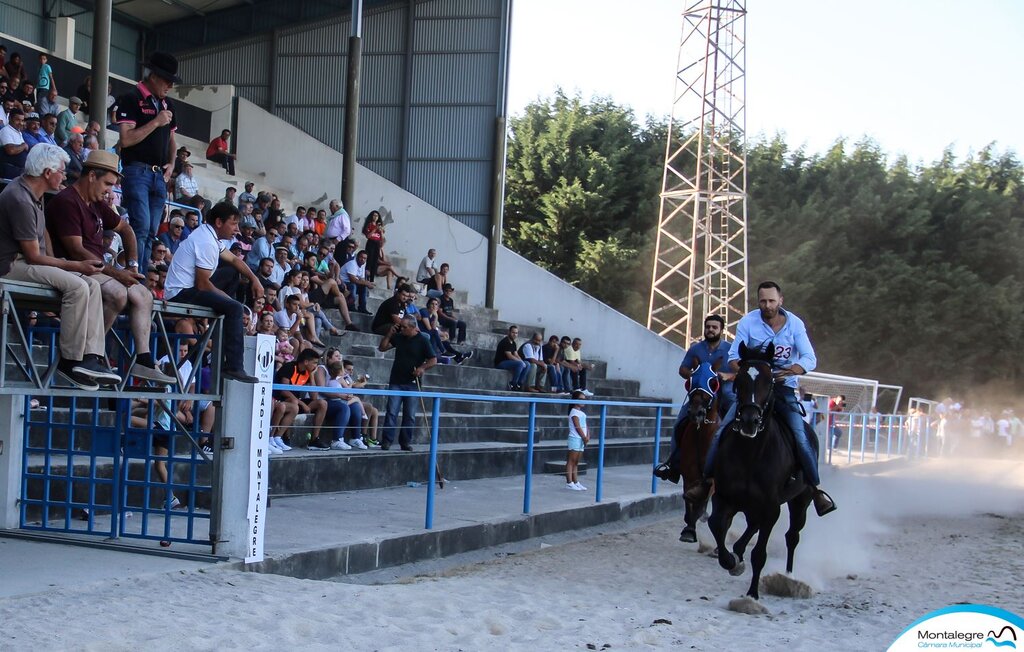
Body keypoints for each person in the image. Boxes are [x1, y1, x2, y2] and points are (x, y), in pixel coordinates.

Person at [685, 281, 837, 517]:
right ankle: (707, 482)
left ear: (781, 300)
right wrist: (744, 369)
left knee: (801, 433)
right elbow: (735, 355)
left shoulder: (795, 324)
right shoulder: (748, 322)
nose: (767, 305)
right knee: (721, 430)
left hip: (783, 388)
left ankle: (815, 489)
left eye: (772, 301)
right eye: (763, 301)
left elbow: (809, 357)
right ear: (759, 302)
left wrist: (793, 369)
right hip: (753, 388)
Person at [45, 150, 174, 384]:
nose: (110, 191)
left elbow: (126, 230)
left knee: (143, 294)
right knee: (117, 293)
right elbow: (76, 251)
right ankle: (88, 355)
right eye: (108, 183)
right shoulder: (66, 201)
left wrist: (132, 266)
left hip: (98, 269)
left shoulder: (96, 203)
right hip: (74, 269)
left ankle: (143, 361)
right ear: (92, 176)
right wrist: (117, 273)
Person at [0, 144, 122, 389]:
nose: (65, 175)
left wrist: (65, 265)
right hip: (11, 266)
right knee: (78, 285)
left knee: (91, 285)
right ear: (47, 172)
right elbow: (33, 256)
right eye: (61, 171)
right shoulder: (19, 197)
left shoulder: (35, 194)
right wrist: (72, 264)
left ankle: (91, 357)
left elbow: (43, 237)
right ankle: (69, 360)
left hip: (26, 262)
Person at [163, 201, 263, 383]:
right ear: (219, 222)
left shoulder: (210, 236)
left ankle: (226, 320)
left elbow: (234, 260)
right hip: (180, 294)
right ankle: (234, 366)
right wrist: (230, 302)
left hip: (191, 287)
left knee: (233, 272)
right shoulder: (206, 242)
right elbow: (202, 284)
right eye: (233, 224)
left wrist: (255, 279)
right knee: (234, 309)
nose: (237, 230)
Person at [116, 51, 181, 273]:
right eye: (167, 80)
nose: (170, 86)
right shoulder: (131, 97)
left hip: (158, 175)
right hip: (137, 171)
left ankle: (139, 273)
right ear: (154, 76)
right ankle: (135, 273)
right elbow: (125, 139)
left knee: (150, 230)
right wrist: (156, 121)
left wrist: (172, 165)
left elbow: (172, 140)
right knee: (141, 226)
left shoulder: (168, 104)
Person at [654, 314, 733, 483]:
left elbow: (741, 371)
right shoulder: (696, 349)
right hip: (700, 395)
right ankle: (673, 465)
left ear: (721, 330)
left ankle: (740, 464)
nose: (710, 330)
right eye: (708, 327)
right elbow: (683, 369)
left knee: (738, 422)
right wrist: (696, 375)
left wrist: (727, 375)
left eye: (714, 327)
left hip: (723, 391)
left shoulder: (730, 349)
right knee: (679, 424)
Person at [377, 315, 436, 451]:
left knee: (409, 415)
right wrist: (389, 334)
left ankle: (405, 442)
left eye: (404, 327)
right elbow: (382, 348)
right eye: (401, 326)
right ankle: (387, 441)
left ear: (413, 328)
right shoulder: (399, 337)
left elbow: (433, 360)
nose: (401, 329)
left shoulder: (423, 340)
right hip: (396, 380)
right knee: (391, 412)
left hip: (413, 383)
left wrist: (422, 368)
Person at [272, 348, 330, 452]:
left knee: (322, 403)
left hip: (296, 402)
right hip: (282, 400)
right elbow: (283, 391)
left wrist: (312, 376)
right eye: (314, 363)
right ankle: (282, 437)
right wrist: (302, 404)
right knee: (294, 402)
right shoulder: (289, 367)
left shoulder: (308, 372)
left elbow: (314, 397)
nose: (316, 366)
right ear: (306, 361)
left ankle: (314, 439)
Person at [565, 391, 589, 490]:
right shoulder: (574, 412)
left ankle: (576, 481)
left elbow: (586, 426)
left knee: (576, 462)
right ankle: (569, 482)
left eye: (584, 399)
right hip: (575, 438)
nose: (583, 401)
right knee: (571, 461)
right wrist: (584, 437)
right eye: (581, 399)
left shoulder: (582, 413)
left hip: (581, 439)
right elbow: (577, 426)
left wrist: (587, 436)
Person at [494, 325, 529, 391]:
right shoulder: (505, 341)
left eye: (516, 333)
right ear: (509, 332)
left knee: (527, 364)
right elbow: (509, 356)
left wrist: (522, 361)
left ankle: (519, 383)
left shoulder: (513, 343)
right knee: (520, 364)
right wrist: (521, 362)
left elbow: (516, 354)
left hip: (509, 362)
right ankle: (513, 383)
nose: (515, 334)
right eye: (513, 332)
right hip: (501, 363)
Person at [341, 249, 373, 314]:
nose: (363, 259)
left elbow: (362, 278)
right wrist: (367, 283)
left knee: (363, 286)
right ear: (357, 257)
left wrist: (367, 284)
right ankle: (351, 305)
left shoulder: (363, 264)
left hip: (351, 282)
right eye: (361, 257)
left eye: (365, 258)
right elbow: (352, 279)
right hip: (343, 282)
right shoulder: (352, 263)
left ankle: (362, 307)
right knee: (353, 285)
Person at [0, 108, 28, 178]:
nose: (21, 123)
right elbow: (10, 150)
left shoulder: (18, 132)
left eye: (22, 120)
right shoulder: (6, 130)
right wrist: (23, 146)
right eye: (17, 120)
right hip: (9, 170)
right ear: (10, 118)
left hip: (19, 170)